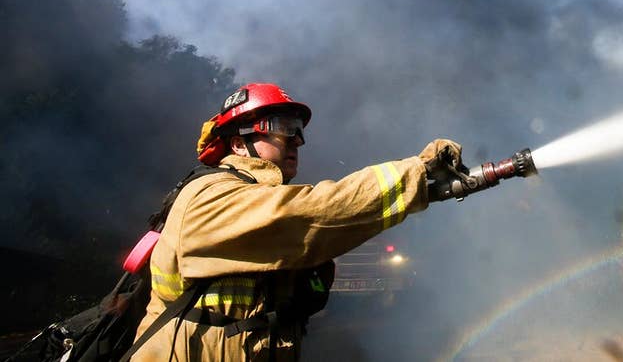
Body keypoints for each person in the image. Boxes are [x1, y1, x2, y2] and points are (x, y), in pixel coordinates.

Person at [131, 82, 467, 361]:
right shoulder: (211, 195)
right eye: (280, 128)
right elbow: (315, 212)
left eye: (298, 131)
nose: (296, 140)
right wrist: (417, 170)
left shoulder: (248, 197)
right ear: (238, 143)